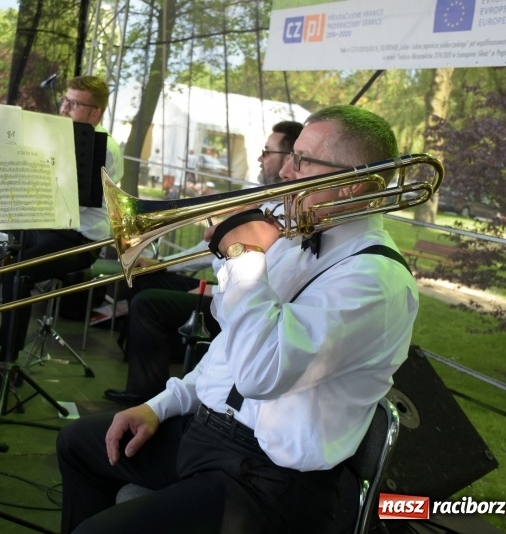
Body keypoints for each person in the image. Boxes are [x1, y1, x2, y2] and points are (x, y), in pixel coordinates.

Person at [57, 105, 419, 534]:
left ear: (352, 184)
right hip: (210, 435)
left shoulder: (376, 282)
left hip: (270, 483)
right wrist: (160, 405)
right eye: (290, 156)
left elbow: (258, 376)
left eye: (302, 160)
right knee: (77, 443)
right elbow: (230, 351)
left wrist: (244, 259)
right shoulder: (295, 235)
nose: (285, 171)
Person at [104, 120, 304, 405]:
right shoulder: (265, 200)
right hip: (223, 288)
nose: (260, 158)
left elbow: (269, 279)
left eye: (267, 152)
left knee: (148, 304)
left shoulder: (291, 213)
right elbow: (208, 250)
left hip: (235, 301)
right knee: (146, 279)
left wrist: (210, 291)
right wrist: (160, 263)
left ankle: (147, 393)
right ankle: (139, 368)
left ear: (288, 158)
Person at [0, 75, 123, 363]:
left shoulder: (103, 147)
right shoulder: (62, 135)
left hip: (81, 236)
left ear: (95, 112)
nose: (64, 108)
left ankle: (6, 360)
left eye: (74, 104)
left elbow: (70, 194)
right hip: (51, 224)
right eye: (65, 100)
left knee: (18, 273)